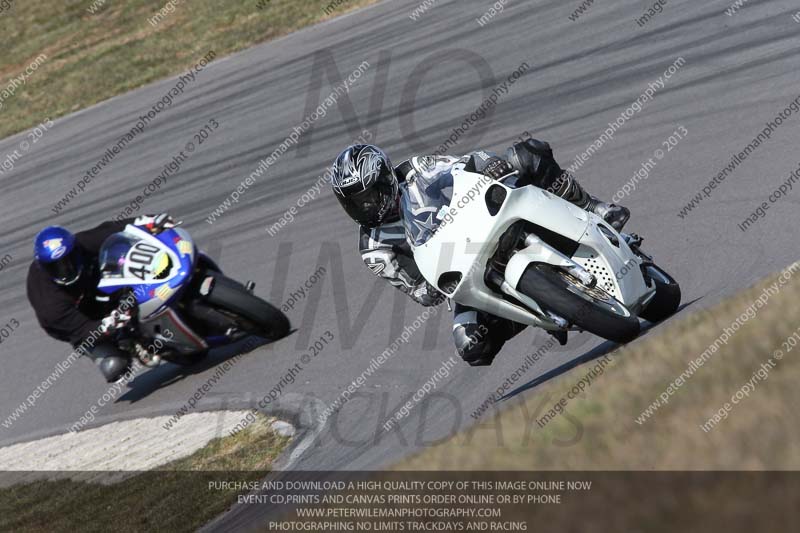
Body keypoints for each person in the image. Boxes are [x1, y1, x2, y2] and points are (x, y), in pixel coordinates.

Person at [330, 139, 630, 366]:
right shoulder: (373, 248)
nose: (366, 207)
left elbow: (463, 165)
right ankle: (534, 311)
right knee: (471, 346)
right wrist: (431, 284)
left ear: (385, 180)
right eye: (355, 203)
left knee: (526, 154)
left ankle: (592, 207)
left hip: (482, 222)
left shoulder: (417, 168)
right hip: (461, 271)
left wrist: (489, 165)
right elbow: (420, 291)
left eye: (369, 197)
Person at [27, 214, 174, 383]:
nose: (67, 269)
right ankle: (128, 342)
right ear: (45, 268)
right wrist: (105, 326)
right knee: (114, 366)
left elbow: (111, 229)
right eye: (57, 267)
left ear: (74, 249)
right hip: (76, 319)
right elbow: (82, 330)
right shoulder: (50, 304)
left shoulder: (80, 244)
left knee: (118, 256)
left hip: (92, 282)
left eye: (70, 260)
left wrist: (149, 221)